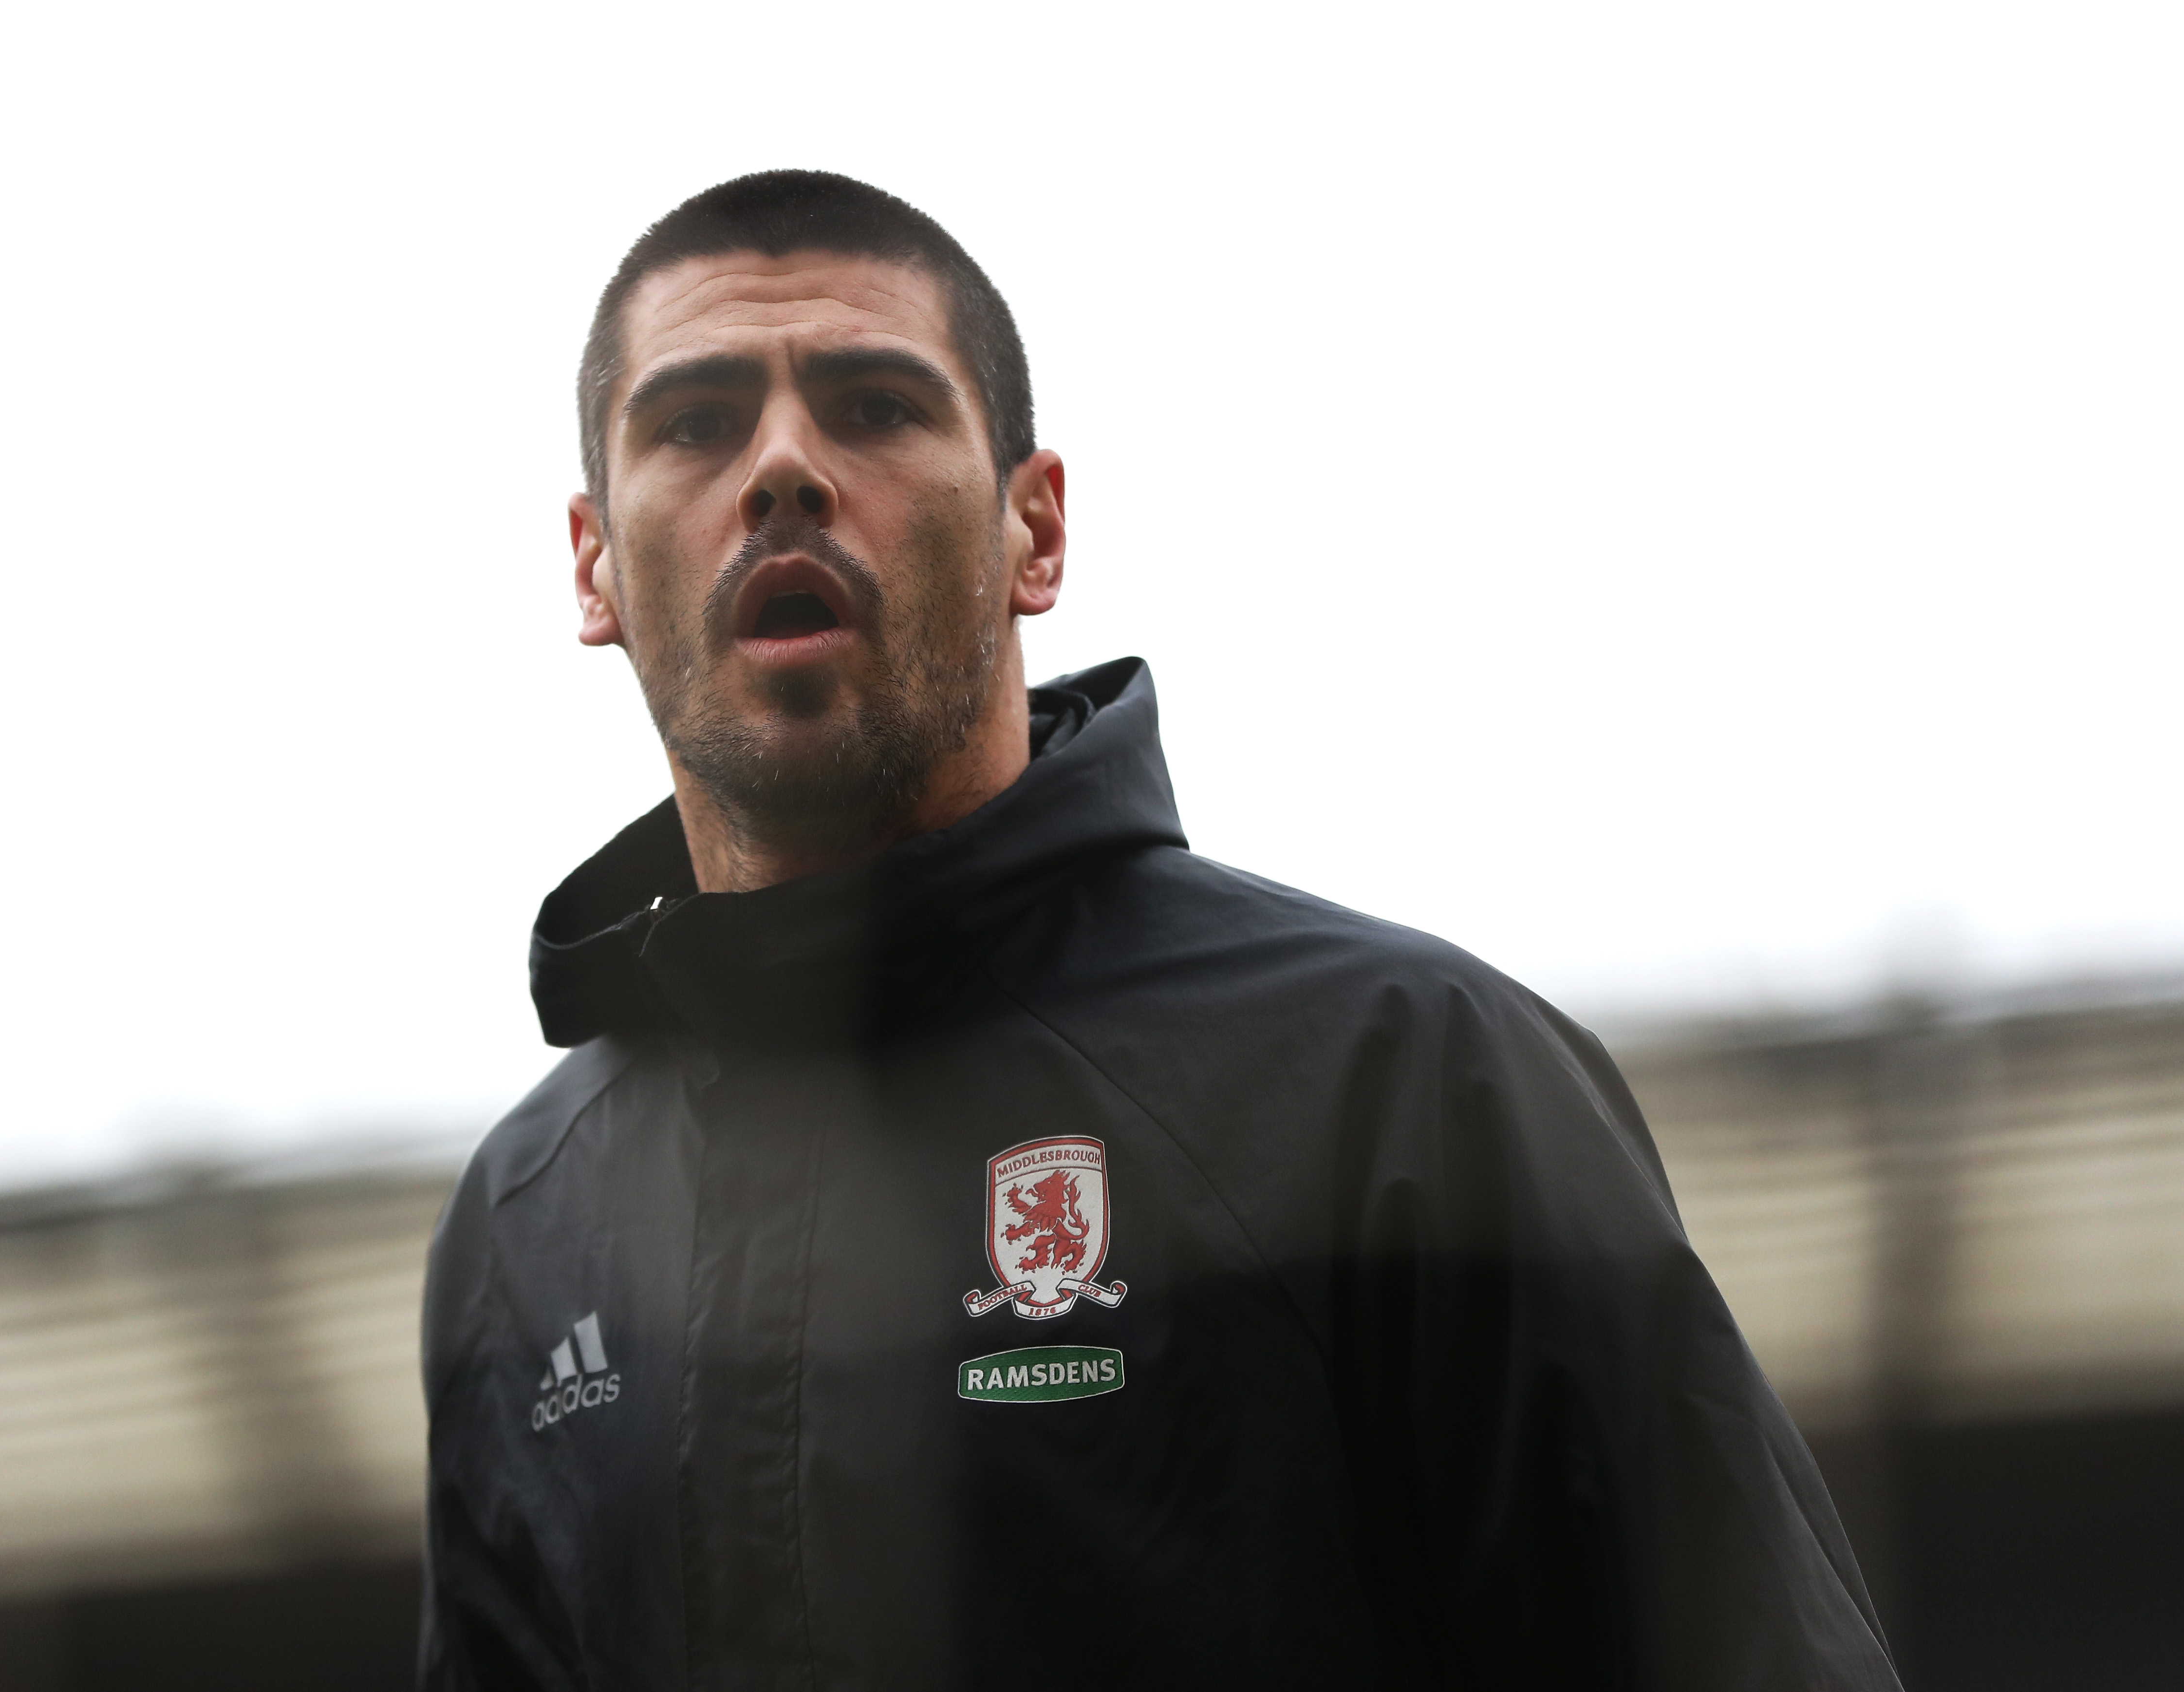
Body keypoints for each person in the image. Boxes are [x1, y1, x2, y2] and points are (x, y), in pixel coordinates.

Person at [419, 170, 1900, 1691]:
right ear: (595, 562)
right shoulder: (525, 1226)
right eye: (696, 422)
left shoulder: (1402, 1077)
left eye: (874, 406)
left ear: (1034, 532)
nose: (785, 464)